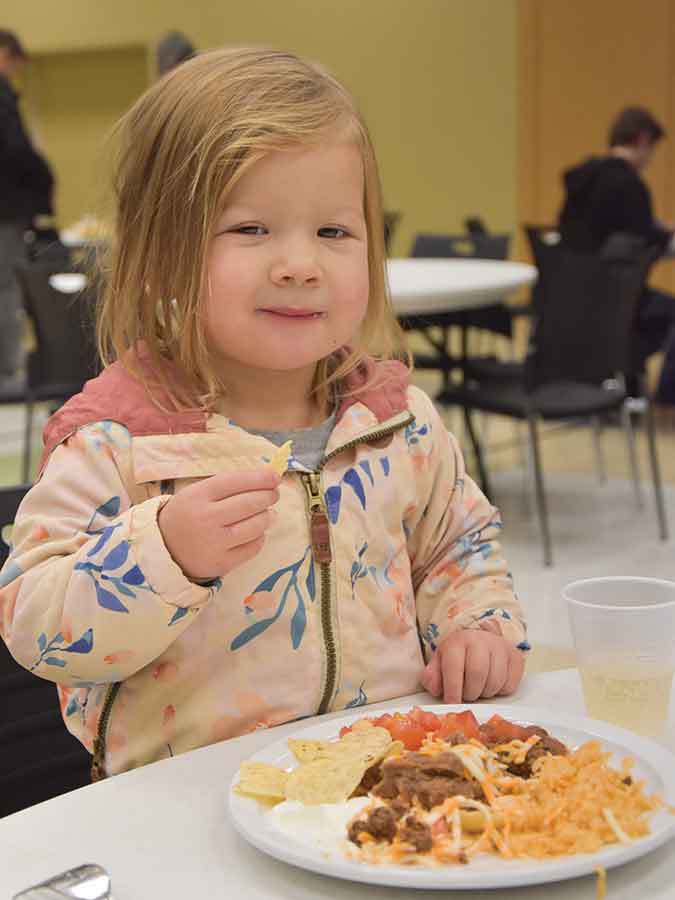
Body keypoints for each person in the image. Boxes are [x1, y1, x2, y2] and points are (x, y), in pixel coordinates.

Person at [0, 48, 528, 779]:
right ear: (161, 256)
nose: (298, 264)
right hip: (183, 807)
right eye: (250, 230)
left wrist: (477, 626)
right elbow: (39, 631)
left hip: (382, 787)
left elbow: (458, 547)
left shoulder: (398, 421)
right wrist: (162, 554)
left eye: (333, 232)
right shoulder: (118, 440)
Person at [558, 106, 675, 401]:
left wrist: (654, 227)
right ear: (642, 139)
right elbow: (644, 246)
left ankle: (621, 381)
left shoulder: (583, 179)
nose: (650, 159)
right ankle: (666, 399)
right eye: (652, 149)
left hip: (568, 300)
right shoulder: (630, 185)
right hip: (615, 302)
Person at [0, 29, 54, 383]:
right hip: (5, 209)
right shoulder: (1, 95)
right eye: (15, 64)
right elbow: (16, 152)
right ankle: (9, 370)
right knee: (7, 286)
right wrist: (43, 179)